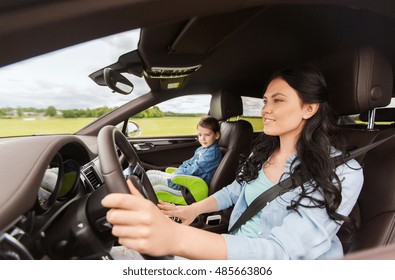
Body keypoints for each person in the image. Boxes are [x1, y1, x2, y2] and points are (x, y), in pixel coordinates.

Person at [101, 66, 363, 260]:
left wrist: (175, 238)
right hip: (233, 248)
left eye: (278, 100)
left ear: (309, 108)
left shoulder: (342, 172)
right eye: (265, 100)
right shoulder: (262, 152)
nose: (265, 110)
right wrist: (193, 210)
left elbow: (282, 253)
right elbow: (234, 190)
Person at [146, 115, 222, 191]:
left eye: (207, 135)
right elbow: (189, 162)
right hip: (187, 178)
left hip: (192, 184)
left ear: (216, 135)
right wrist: (179, 171)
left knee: (151, 179)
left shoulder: (212, 154)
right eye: (200, 135)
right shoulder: (201, 149)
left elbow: (195, 169)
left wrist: (176, 175)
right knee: (149, 173)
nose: (202, 138)